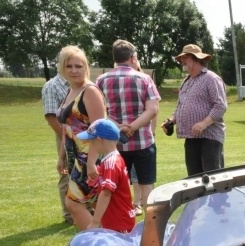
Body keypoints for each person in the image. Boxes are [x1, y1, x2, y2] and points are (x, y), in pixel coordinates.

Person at [95, 39, 160, 217]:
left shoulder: (101, 80)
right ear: (133, 58)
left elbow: (99, 112)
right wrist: (131, 127)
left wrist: (119, 128)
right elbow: (153, 110)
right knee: (147, 187)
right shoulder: (145, 79)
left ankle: (119, 225)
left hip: (114, 145)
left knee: (115, 187)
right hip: (143, 143)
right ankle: (151, 227)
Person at [56, 45, 107, 230]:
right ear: (62, 68)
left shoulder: (90, 91)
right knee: (95, 203)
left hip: (89, 158)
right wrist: (61, 157)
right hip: (74, 158)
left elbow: (100, 130)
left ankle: (95, 245)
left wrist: (92, 162)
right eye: (69, 66)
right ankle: (110, 242)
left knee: (73, 203)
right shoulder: (70, 92)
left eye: (78, 66)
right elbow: (66, 129)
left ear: (86, 66)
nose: (74, 70)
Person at [162, 44, 227, 176]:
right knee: (194, 180)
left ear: (196, 58)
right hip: (191, 137)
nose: (182, 61)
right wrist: (171, 121)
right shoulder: (186, 81)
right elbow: (180, 106)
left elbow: (221, 105)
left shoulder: (211, 78)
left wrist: (204, 123)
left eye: (185, 58)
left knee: (213, 178)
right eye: (181, 58)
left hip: (210, 137)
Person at [77, 118, 136, 232]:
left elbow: (106, 194)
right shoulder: (112, 160)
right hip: (117, 220)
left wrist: (95, 222)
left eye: (91, 141)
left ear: (99, 140)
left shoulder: (111, 163)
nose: (90, 144)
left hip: (119, 223)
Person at [42, 69, 72, 223]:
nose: (72, 69)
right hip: (65, 136)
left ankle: (84, 208)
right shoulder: (52, 86)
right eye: (68, 64)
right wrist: (66, 138)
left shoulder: (74, 83)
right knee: (66, 174)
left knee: (81, 173)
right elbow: (51, 117)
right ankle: (69, 214)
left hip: (79, 136)